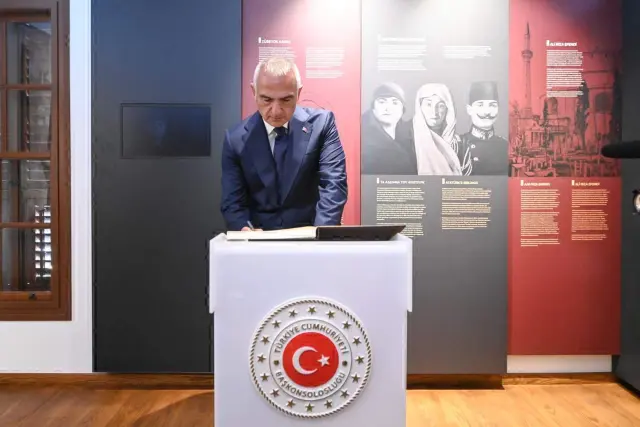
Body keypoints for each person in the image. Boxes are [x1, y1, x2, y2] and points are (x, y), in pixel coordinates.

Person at [220, 57, 348, 231]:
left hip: (310, 235)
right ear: (254, 92)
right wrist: (245, 230)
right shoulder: (235, 139)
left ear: (298, 93)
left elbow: (334, 184)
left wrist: (320, 234)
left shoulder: (322, 124)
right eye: (266, 100)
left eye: (286, 100)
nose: (276, 111)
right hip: (259, 239)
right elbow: (232, 202)